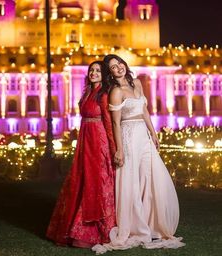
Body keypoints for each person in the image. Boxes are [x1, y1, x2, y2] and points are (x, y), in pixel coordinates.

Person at [92, 55, 185, 254]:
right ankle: (136, 227)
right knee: (131, 181)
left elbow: (144, 109)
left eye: (119, 64)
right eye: (113, 68)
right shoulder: (116, 91)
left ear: (124, 65)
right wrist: (119, 149)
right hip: (128, 136)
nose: (118, 69)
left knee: (151, 177)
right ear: (110, 73)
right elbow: (116, 123)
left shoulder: (137, 83)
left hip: (143, 134)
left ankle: (153, 225)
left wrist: (153, 132)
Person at [46, 61, 116, 248]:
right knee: (81, 180)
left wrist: (113, 148)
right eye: (91, 70)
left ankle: (98, 230)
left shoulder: (103, 94)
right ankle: (72, 227)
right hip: (86, 140)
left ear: (104, 75)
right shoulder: (87, 92)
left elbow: (108, 123)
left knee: (97, 181)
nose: (93, 73)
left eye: (97, 71)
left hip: (99, 141)